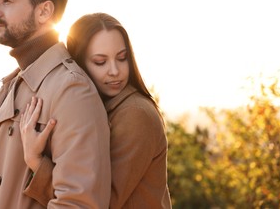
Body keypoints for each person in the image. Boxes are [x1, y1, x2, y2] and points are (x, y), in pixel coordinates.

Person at [0, 0, 111, 208]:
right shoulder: (15, 81)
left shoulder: (71, 89)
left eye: (7, 1)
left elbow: (78, 203)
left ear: (44, 11)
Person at [21, 13, 172, 208]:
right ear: (78, 64)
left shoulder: (135, 114)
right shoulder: (88, 108)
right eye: (101, 62)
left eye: (122, 58)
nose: (114, 70)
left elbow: (98, 201)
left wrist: (36, 161)